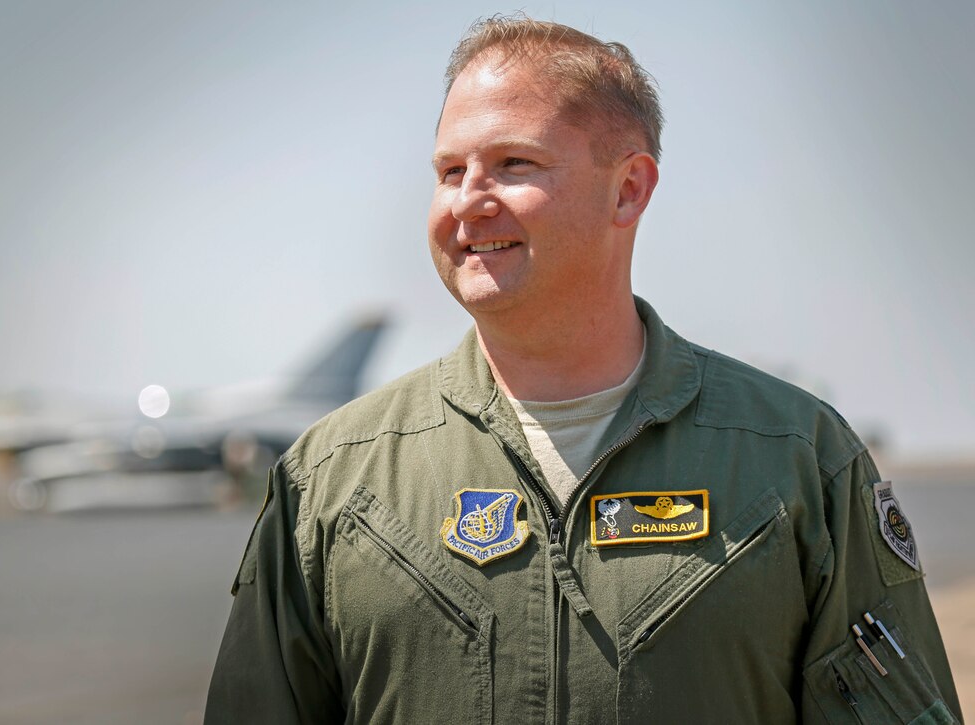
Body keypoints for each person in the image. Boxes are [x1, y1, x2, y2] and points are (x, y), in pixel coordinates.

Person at [205, 16, 961, 724]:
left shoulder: (796, 459)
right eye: (448, 170)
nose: (468, 202)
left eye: (512, 163)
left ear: (628, 189)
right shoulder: (332, 479)